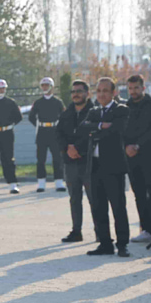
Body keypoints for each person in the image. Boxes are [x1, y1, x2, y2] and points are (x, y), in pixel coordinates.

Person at [80, 77, 131, 257]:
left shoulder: (121, 110)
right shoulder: (94, 112)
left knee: (118, 206)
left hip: (113, 165)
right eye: (99, 91)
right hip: (95, 166)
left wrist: (96, 131)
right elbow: (83, 128)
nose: (101, 94)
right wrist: (100, 126)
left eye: (105, 91)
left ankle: (123, 244)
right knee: (98, 206)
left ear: (114, 93)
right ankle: (105, 243)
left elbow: (116, 130)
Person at [123, 74, 151, 242]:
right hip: (131, 157)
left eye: (136, 88)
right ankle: (146, 229)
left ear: (143, 87)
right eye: (130, 88)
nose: (133, 91)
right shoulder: (125, 107)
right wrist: (127, 147)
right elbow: (122, 131)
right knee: (139, 193)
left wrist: (138, 145)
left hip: (150, 154)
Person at [56, 81, 94, 243]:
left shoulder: (95, 112)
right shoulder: (66, 113)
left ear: (87, 93)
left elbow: (92, 134)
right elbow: (59, 135)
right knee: (74, 198)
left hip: (90, 162)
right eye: (73, 92)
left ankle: (101, 232)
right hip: (70, 163)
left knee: (95, 198)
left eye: (79, 91)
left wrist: (78, 148)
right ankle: (76, 232)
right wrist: (67, 148)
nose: (76, 94)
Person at [28, 76, 66, 192]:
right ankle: (41, 183)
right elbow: (31, 117)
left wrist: (59, 128)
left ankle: (59, 182)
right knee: (41, 159)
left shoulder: (58, 102)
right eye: (43, 86)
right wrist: (40, 125)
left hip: (55, 132)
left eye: (47, 85)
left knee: (57, 158)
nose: (45, 87)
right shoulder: (38, 103)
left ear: (52, 87)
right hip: (42, 133)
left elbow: (64, 117)